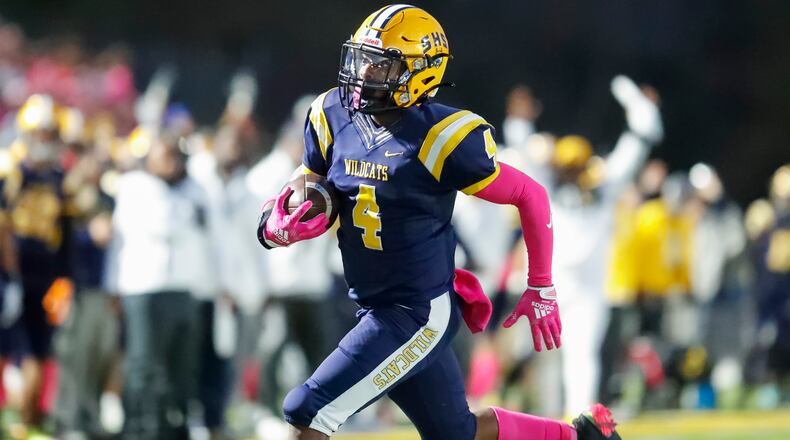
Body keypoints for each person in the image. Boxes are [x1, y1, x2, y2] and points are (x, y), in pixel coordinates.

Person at [254, 5, 619, 440]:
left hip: (416, 311)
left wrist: (540, 284)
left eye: (381, 63)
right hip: (374, 303)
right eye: (362, 58)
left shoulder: (440, 137)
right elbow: (309, 177)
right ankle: (581, 437)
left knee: (307, 409)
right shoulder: (331, 113)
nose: (365, 71)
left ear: (420, 72)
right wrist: (278, 219)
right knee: (457, 433)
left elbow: (530, 194)